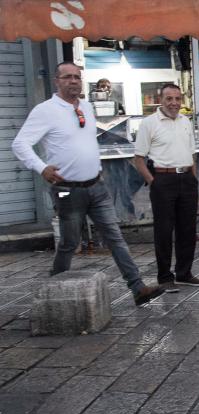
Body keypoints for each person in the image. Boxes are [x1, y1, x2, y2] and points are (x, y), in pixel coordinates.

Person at [11, 62, 163, 306]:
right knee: (70, 242)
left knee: (115, 237)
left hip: (96, 187)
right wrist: (42, 168)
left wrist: (97, 169)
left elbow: (86, 142)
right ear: (56, 80)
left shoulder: (85, 106)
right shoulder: (46, 110)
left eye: (77, 77)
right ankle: (55, 287)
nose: (73, 81)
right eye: (67, 77)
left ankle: (138, 288)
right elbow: (19, 144)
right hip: (66, 190)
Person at [134, 83, 199, 291]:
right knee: (164, 231)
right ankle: (165, 277)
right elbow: (138, 159)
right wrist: (154, 182)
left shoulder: (185, 121)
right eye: (169, 99)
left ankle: (184, 273)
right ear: (161, 99)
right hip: (163, 180)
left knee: (188, 228)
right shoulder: (149, 123)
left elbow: (192, 155)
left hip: (187, 179)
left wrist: (194, 182)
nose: (174, 103)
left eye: (177, 99)